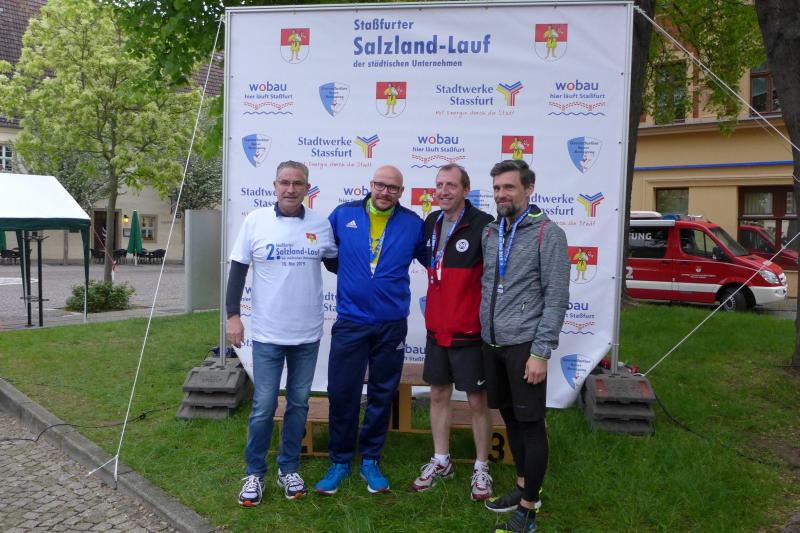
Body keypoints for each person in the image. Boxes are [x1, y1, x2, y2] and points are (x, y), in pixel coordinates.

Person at [226, 161, 337, 507]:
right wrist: (232, 316)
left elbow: (337, 263)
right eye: (285, 182)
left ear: (307, 188)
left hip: (307, 334)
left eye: (298, 183)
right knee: (263, 406)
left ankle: (288, 468)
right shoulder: (255, 221)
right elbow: (237, 270)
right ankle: (254, 473)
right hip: (268, 334)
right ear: (274, 185)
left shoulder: (320, 224)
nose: (291, 189)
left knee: (299, 404)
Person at [315, 165, 426, 495]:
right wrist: (358, 276)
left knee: (382, 392)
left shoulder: (413, 224)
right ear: (371, 184)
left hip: (391, 324)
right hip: (351, 321)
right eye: (380, 185)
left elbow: (434, 262)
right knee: (342, 391)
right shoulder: (344, 215)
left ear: (401, 192)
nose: (385, 192)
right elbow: (329, 256)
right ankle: (339, 460)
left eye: (393, 188)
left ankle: (370, 459)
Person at [480, 160, 569, 532]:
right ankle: (521, 487)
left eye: (509, 187)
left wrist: (540, 352)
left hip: (525, 345)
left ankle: (529, 509)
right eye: (497, 188)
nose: (502, 194)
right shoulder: (490, 232)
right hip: (493, 343)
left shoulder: (548, 233)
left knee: (531, 424)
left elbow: (557, 298)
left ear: (528, 189)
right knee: (511, 420)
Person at [410, 164, 495, 500]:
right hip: (438, 328)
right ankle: (441, 459)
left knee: (477, 401)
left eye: (451, 185)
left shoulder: (484, 224)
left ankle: (481, 466)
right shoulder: (431, 221)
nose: (443, 191)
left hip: (469, 331)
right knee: (438, 395)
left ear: (466, 190)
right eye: (439, 185)